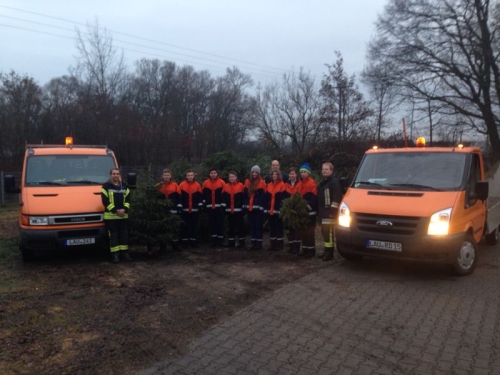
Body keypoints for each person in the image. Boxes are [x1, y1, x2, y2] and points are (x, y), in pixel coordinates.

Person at [101, 167, 132, 263]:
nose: (115, 175)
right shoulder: (105, 187)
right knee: (113, 236)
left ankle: (125, 254)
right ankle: (115, 256)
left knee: (124, 235)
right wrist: (116, 211)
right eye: (114, 174)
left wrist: (124, 210)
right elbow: (105, 201)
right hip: (111, 217)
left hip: (123, 216)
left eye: (117, 174)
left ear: (119, 175)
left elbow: (128, 200)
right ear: (111, 175)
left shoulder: (125, 186)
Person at [318, 162, 344, 261]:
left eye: (326, 169)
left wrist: (333, 211)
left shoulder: (334, 182)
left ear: (331, 171)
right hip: (323, 212)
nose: (324, 171)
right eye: (323, 169)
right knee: (324, 233)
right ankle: (326, 251)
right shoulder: (324, 182)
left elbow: (336, 198)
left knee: (328, 233)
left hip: (329, 213)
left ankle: (329, 254)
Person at [156, 168, 182, 252]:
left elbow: (179, 197)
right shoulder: (159, 185)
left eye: (168, 175)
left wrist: (178, 207)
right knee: (162, 228)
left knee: (174, 228)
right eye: (165, 175)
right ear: (162, 176)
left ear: (170, 176)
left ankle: (175, 245)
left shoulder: (175, 185)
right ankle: (162, 246)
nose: (166, 177)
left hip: (173, 209)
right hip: (162, 210)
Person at [178, 169, 203, 248]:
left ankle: (193, 241)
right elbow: (179, 197)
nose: (190, 177)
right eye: (188, 175)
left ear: (194, 176)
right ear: (186, 176)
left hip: (195, 210)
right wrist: (180, 206)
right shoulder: (181, 185)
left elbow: (200, 197)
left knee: (194, 226)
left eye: (191, 175)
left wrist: (200, 206)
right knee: (184, 226)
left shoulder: (197, 185)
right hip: (185, 210)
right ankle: (184, 242)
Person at [297, 163, 318, 258]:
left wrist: (308, 206)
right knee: (303, 231)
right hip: (302, 212)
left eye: (305, 172)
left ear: (308, 173)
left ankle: (311, 251)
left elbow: (314, 197)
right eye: (301, 172)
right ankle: (305, 249)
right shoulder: (300, 183)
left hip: (310, 212)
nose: (303, 174)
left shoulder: (312, 183)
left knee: (310, 232)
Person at [202, 168, 226, 247]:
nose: (213, 174)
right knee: (212, 224)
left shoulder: (222, 182)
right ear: (209, 174)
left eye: (214, 173)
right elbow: (203, 195)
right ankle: (213, 241)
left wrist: (223, 205)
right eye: (211, 173)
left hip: (219, 207)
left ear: (217, 174)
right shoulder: (205, 183)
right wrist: (204, 205)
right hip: (209, 207)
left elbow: (224, 195)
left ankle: (220, 240)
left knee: (220, 224)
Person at [221, 171, 246, 248]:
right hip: (229, 211)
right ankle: (231, 242)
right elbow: (223, 198)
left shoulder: (241, 186)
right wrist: (224, 208)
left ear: (236, 177)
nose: (231, 178)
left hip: (239, 210)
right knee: (230, 227)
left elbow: (244, 198)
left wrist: (243, 207)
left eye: (233, 177)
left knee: (240, 227)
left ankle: (242, 242)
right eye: (230, 177)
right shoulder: (225, 186)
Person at [265, 170, 288, 250]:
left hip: (278, 210)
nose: (274, 176)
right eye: (273, 174)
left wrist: (281, 209)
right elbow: (267, 198)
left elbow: (282, 199)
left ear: (279, 175)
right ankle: (273, 244)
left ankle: (280, 245)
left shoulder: (282, 185)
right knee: (272, 228)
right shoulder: (268, 185)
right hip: (270, 211)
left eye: (276, 174)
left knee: (279, 228)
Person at [244, 165, 266, 250]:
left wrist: (261, 208)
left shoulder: (262, 183)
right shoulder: (247, 182)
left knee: (258, 226)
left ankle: (259, 244)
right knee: (252, 226)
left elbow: (263, 197)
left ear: (259, 173)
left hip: (258, 209)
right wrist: (245, 206)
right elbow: (245, 196)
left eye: (256, 172)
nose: (254, 173)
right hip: (250, 209)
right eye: (253, 172)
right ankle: (253, 243)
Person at [285, 167, 301, 254]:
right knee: (289, 229)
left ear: (296, 174)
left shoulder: (300, 183)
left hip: (297, 209)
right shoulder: (286, 184)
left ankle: (296, 247)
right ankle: (291, 247)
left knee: (296, 229)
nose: (292, 175)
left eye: (293, 173)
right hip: (288, 210)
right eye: (290, 174)